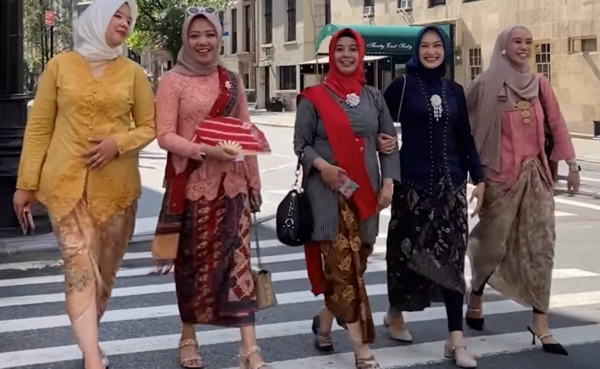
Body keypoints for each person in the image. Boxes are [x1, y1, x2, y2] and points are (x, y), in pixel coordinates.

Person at [12, 1, 154, 368]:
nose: (124, 23)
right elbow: (40, 127)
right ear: (96, 19)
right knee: (78, 268)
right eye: (117, 15)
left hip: (117, 191)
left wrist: (116, 144)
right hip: (64, 187)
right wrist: (25, 185)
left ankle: (90, 338)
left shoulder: (133, 72)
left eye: (128, 18)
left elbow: (150, 126)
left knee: (102, 277)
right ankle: (92, 358)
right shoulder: (59, 67)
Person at [151, 8, 269, 369]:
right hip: (193, 188)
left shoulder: (232, 79)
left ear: (220, 38)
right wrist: (203, 151)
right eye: (195, 35)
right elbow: (164, 135)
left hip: (232, 188)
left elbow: (246, 133)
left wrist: (254, 183)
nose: (203, 42)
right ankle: (188, 335)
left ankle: (249, 347)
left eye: (210, 35)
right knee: (192, 266)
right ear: (186, 39)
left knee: (239, 265)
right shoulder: (172, 81)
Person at [464, 25, 579, 356]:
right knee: (491, 245)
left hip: (536, 176)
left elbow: (557, 124)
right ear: (503, 46)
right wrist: (472, 175)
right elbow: (461, 124)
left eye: (529, 42)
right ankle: (476, 292)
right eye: (518, 41)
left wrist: (571, 165)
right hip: (499, 180)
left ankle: (540, 323)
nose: (524, 47)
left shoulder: (540, 85)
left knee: (542, 248)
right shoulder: (484, 85)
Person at [377, 26, 484, 368]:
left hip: (451, 187)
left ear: (446, 50)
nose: (431, 51)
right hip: (413, 187)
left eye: (437, 45)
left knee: (452, 261)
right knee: (407, 257)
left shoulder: (454, 90)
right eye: (425, 45)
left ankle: (455, 339)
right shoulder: (402, 85)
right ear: (416, 50)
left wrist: (478, 178)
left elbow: (464, 137)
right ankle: (395, 312)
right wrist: (385, 144)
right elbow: (378, 122)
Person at [293, 28, 401, 369]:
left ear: (361, 54)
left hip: (366, 195)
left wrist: (389, 185)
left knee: (357, 266)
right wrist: (323, 166)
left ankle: (325, 321)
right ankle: (360, 347)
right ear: (330, 55)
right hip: (327, 194)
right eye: (339, 49)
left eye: (352, 49)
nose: (345, 55)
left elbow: (389, 142)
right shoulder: (314, 97)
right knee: (342, 268)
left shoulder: (373, 97)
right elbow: (301, 145)